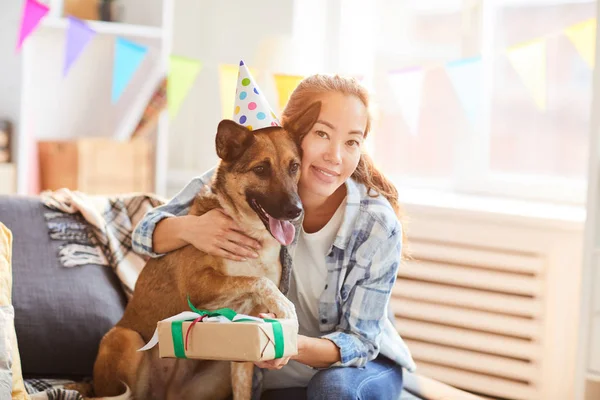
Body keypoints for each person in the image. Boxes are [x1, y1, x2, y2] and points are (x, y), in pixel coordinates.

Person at [132, 70, 416, 400]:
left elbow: (362, 342)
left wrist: (284, 341)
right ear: (292, 133)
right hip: (272, 368)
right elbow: (141, 233)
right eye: (323, 134)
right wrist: (190, 228)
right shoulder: (243, 176)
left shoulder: (375, 225)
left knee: (332, 391)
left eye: (352, 141)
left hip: (352, 365)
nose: (335, 156)